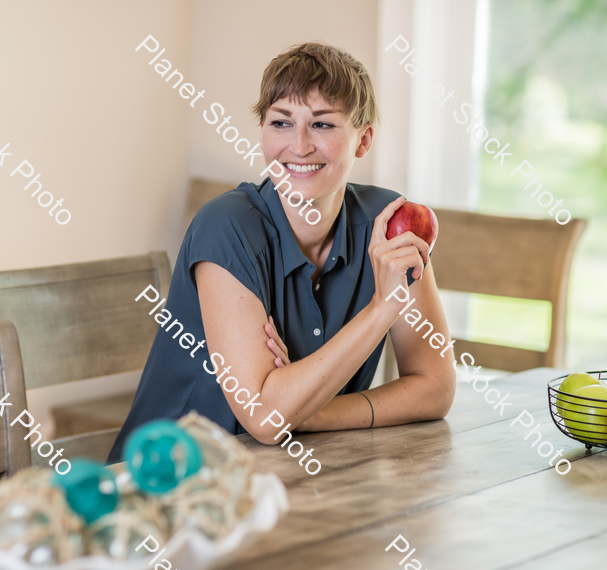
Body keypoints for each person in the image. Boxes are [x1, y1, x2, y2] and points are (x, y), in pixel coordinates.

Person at [108, 42, 455, 461]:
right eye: (281, 123)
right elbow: (267, 419)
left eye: (323, 125)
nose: (300, 145)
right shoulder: (225, 226)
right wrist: (383, 308)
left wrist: (312, 413)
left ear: (363, 140)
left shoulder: (391, 227)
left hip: (296, 475)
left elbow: (435, 388)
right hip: (170, 488)